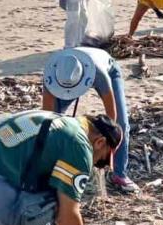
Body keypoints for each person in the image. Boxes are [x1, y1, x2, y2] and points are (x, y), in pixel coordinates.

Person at [41, 48, 137, 194]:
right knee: (53, 125)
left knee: (122, 124)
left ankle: (119, 173)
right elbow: (48, 118)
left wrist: (104, 151)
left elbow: (112, 121)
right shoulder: (52, 75)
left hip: (108, 69)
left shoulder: (100, 75)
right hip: (68, 77)